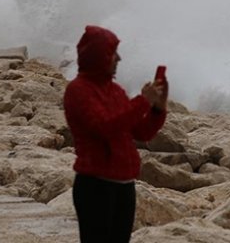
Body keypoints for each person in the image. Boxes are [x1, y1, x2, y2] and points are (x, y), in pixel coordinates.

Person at [63, 25, 168, 243]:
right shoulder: (78, 90)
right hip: (95, 186)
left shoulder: (116, 91)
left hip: (124, 185)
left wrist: (158, 107)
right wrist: (142, 101)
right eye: (112, 53)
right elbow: (104, 127)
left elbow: (142, 131)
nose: (118, 59)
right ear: (98, 56)